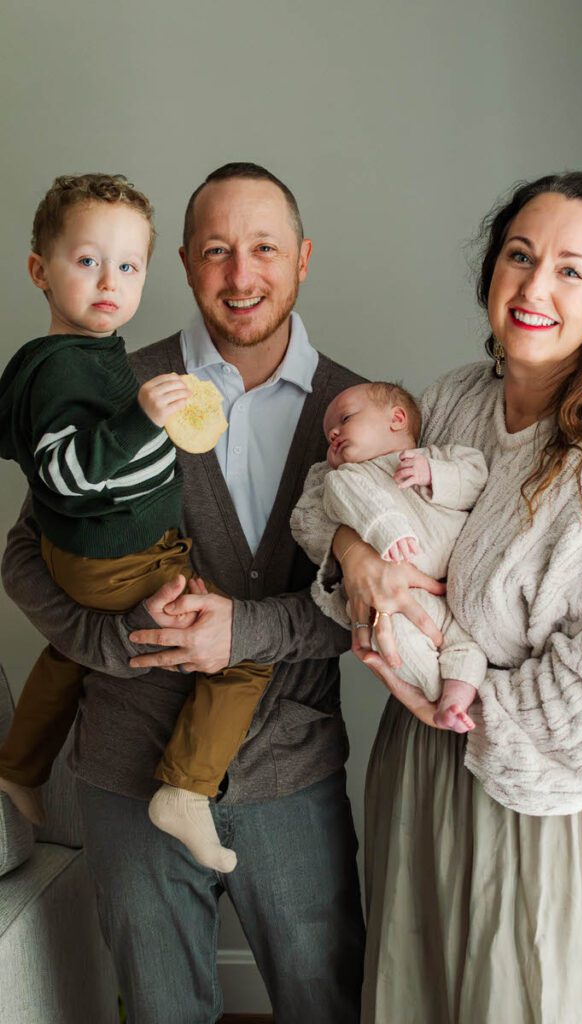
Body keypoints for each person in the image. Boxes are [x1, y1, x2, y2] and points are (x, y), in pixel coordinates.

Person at [1, 162, 366, 1024]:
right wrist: (116, 639)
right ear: (186, 266)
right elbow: (24, 557)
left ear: (303, 258)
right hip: (127, 772)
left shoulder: (357, 414)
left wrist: (240, 632)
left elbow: (367, 609)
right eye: (215, 251)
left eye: (264, 248)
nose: (241, 275)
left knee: (326, 1004)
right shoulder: (113, 387)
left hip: (291, 773)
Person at [330, 172, 582, 1023]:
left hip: (533, 809)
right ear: (490, 271)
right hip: (419, 781)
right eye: (519, 257)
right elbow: (361, 501)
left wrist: (447, 689)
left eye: (569, 269)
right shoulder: (451, 401)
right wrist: (352, 554)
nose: (533, 287)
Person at [0, 172, 272, 875]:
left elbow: (27, 444)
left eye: (127, 266)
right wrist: (140, 420)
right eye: (87, 261)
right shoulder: (67, 369)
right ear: (40, 270)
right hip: (117, 562)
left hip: (88, 558)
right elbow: (63, 473)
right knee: (241, 650)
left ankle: (19, 766)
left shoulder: (68, 359)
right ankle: (185, 788)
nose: (108, 283)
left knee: (66, 654)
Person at [290, 380, 489, 729]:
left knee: (465, 641)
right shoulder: (344, 478)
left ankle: (460, 692)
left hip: (450, 584)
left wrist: (434, 473)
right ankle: (444, 698)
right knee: (399, 639)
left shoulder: (433, 457)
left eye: (346, 418)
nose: (333, 432)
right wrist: (380, 534)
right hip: (404, 594)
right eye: (328, 435)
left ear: (397, 418)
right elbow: (311, 518)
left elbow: (476, 475)